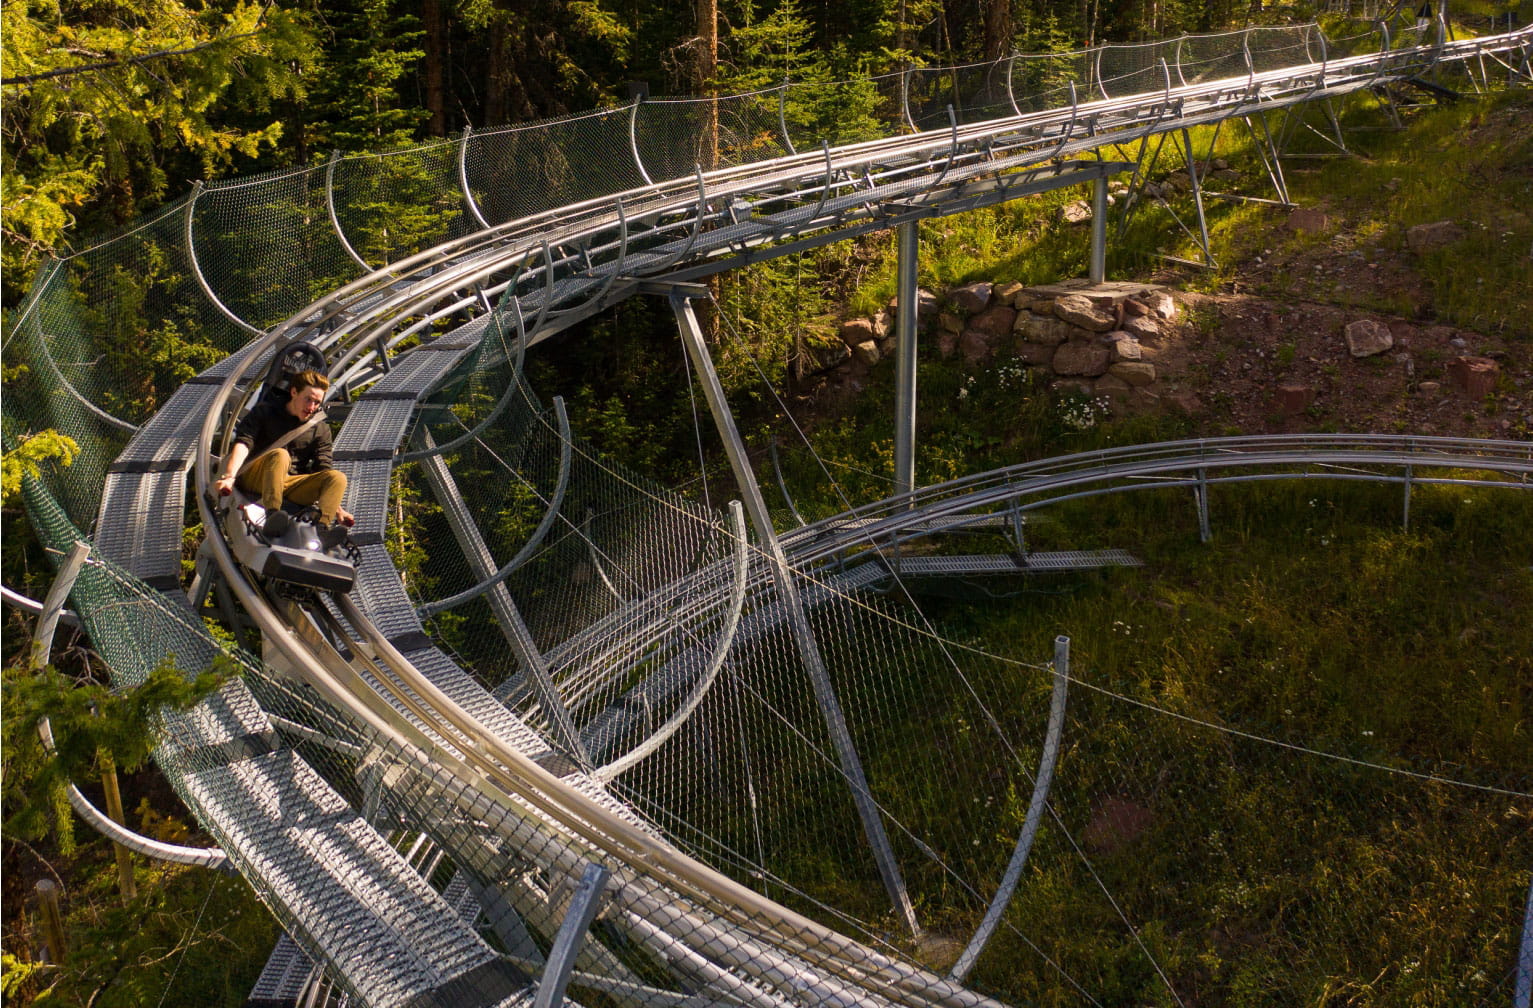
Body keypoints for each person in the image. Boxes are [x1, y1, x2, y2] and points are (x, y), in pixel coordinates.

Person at [214, 369, 353, 549]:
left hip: (289, 483)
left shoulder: (320, 429)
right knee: (280, 455)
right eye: (308, 399)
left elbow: (323, 468)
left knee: (337, 477)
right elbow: (243, 443)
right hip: (257, 477)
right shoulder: (266, 412)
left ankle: (322, 529)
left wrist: (338, 510)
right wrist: (229, 476)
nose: (311, 407)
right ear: (294, 392)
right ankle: (273, 515)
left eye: (317, 402)